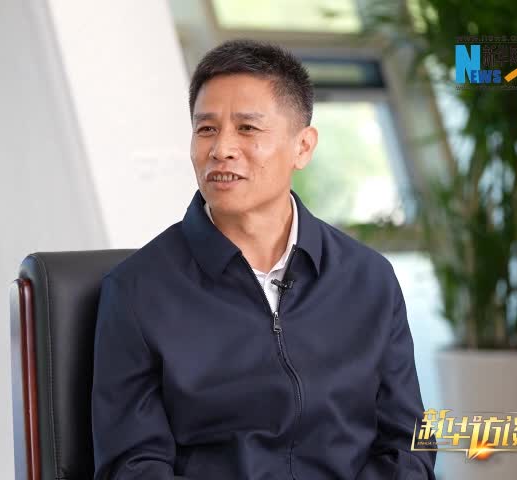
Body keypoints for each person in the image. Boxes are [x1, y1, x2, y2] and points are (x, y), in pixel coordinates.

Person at [91, 39, 436, 480]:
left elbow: (409, 442)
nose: (221, 148)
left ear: (303, 147)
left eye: (247, 128)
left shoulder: (368, 279)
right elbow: (134, 466)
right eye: (206, 129)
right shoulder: (137, 292)